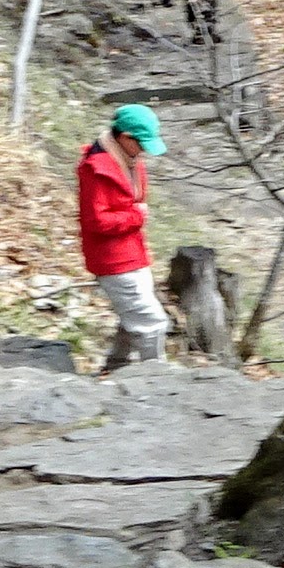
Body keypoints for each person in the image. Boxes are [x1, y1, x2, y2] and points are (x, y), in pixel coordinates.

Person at [77, 105, 173, 370]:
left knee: (133, 317)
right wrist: (136, 216)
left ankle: (116, 367)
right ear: (125, 137)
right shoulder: (97, 169)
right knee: (152, 322)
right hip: (113, 259)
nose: (143, 151)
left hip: (132, 252)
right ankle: (157, 377)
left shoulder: (127, 160)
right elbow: (97, 221)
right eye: (140, 144)